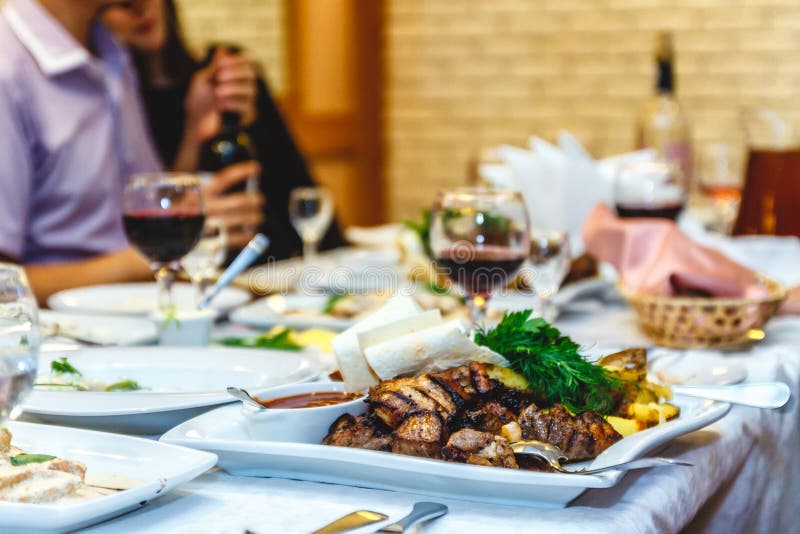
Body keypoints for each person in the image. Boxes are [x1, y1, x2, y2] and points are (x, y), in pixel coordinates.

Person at [0, 0, 263, 302]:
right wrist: (146, 258)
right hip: (63, 337)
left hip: (140, 315)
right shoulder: (8, 68)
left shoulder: (109, 50)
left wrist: (195, 134)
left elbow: (133, 208)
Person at [101, 0, 344, 261]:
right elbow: (158, 215)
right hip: (204, 267)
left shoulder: (220, 73)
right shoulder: (116, 102)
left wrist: (251, 123)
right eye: (119, 4)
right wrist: (195, 134)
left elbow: (293, 180)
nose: (139, 9)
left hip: (271, 260)